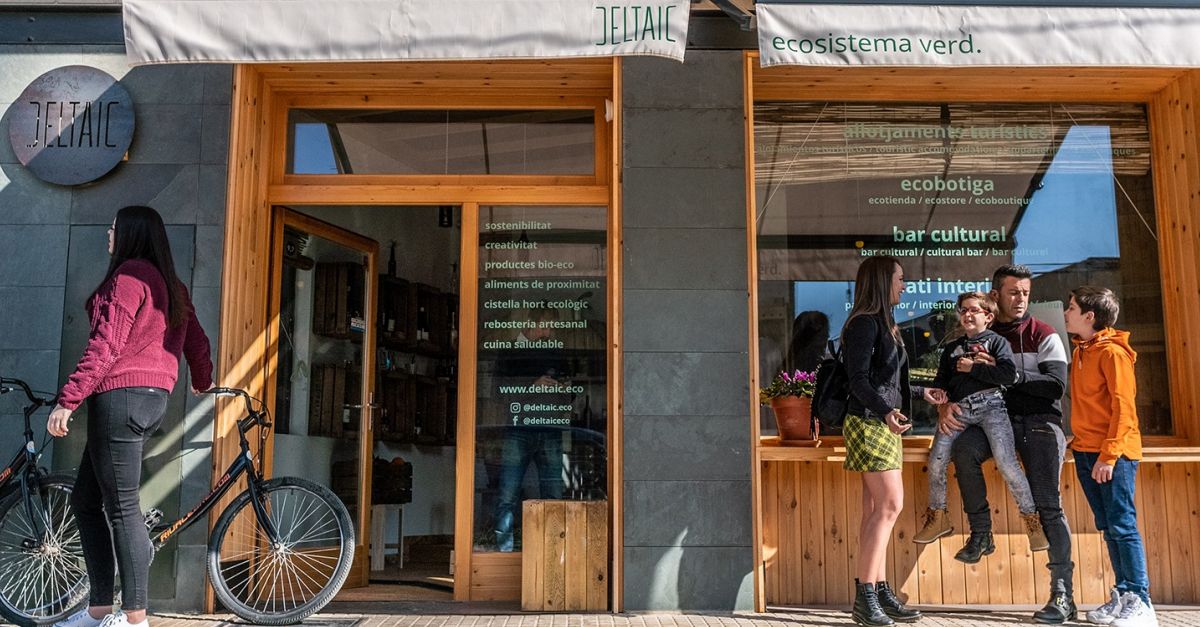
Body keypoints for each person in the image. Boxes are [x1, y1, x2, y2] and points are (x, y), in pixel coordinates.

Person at [47, 206, 213, 627]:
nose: (108, 234)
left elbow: (105, 346)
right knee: (86, 501)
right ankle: (98, 610)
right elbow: (197, 340)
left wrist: (69, 399)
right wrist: (202, 379)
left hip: (120, 398)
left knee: (122, 508)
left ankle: (135, 617)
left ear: (131, 234)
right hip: (152, 400)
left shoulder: (128, 278)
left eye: (114, 229)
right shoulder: (171, 284)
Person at [943, 264, 1075, 624]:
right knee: (962, 450)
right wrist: (945, 404)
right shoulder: (979, 333)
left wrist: (1005, 374)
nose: (1020, 299)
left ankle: (1062, 593)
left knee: (1047, 503)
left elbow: (1055, 386)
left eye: (1026, 293)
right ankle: (982, 534)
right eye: (1013, 292)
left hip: (1039, 422)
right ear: (995, 295)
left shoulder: (1043, 333)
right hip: (994, 420)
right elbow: (953, 380)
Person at [841, 255, 944, 627]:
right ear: (883, 281)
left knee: (875, 509)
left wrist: (920, 392)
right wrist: (886, 411)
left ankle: (879, 590)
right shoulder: (863, 324)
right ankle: (865, 597)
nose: (904, 285)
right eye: (900, 278)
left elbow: (886, 382)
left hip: (881, 422)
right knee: (889, 505)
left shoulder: (885, 325)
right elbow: (857, 380)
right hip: (869, 423)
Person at [912, 292, 1047, 551]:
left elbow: (1008, 375)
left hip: (992, 407)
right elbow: (941, 381)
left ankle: (1032, 520)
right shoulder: (951, 349)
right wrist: (941, 401)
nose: (967, 314)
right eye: (963, 310)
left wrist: (973, 368)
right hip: (958, 410)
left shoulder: (996, 342)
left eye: (974, 310)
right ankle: (938, 516)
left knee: (1007, 463)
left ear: (988, 316)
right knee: (937, 460)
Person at [1064, 287, 1155, 627]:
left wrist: (1109, 455)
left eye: (1072, 308)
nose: (1066, 312)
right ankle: (1124, 593)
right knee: (1108, 527)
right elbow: (1092, 406)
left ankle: (1141, 601)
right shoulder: (1082, 350)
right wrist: (1079, 441)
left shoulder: (1113, 353)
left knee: (1122, 525)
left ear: (1089, 316)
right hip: (1087, 451)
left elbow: (1124, 409)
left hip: (1113, 455)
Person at [492, 305, 570, 552]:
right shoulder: (509, 353)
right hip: (519, 430)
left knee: (554, 495)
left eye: (552, 328)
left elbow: (570, 397)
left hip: (550, 428)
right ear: (529, 323)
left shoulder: (556, 354)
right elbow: (498, 394)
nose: (548, 333)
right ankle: (504, 552)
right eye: (544, 327)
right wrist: (533, 386)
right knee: (508, 494)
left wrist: (564, 389)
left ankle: (553, 555)